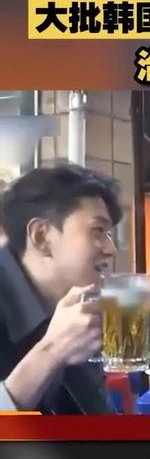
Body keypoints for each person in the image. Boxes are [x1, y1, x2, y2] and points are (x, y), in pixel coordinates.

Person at [0, 164, 122, 414]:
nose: (111, 249)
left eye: (109, 234)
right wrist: (52, 351)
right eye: (98, 231)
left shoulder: (73, 308)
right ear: (41, 236)